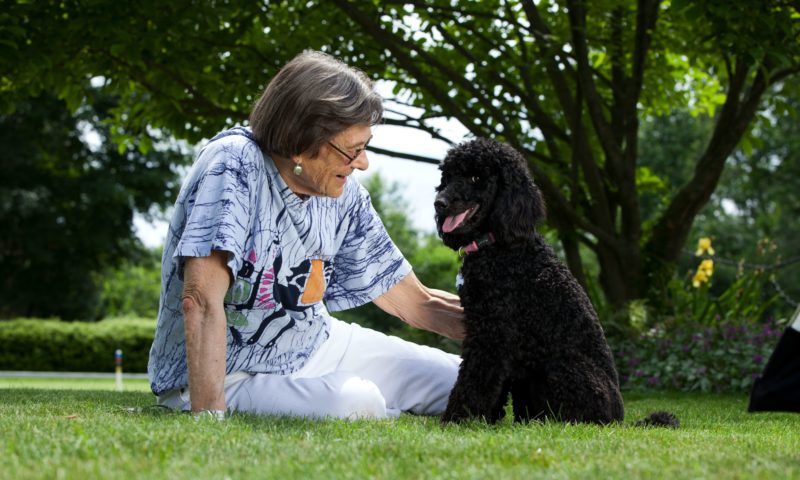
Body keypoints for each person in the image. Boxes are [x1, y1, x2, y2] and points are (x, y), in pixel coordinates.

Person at [147, 51, 465, 421]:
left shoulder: (344, 194)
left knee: (462, 383)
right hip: (230, 370)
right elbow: (199, 299)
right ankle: (377, 410)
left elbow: (416, 302)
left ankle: (377, 406)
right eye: (353, 151)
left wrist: (519, 328)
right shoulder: (234, 164)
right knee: (358, 403)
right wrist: (208, 417)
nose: (362, 163)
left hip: (315, 343)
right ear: (302, 140)